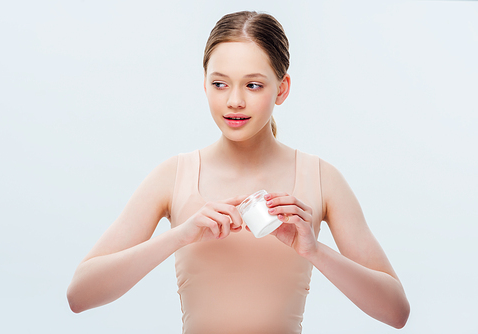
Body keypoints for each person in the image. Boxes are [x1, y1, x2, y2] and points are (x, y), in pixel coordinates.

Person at [67, 11, 410, 333]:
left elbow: (396, 312)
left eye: (253, 85)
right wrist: (180, 235)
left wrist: (314, 251)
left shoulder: (321, 178)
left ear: (282, 89)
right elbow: (79, 295)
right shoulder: (173, 175)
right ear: (204, 84)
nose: (234, 101)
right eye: (220, 84)